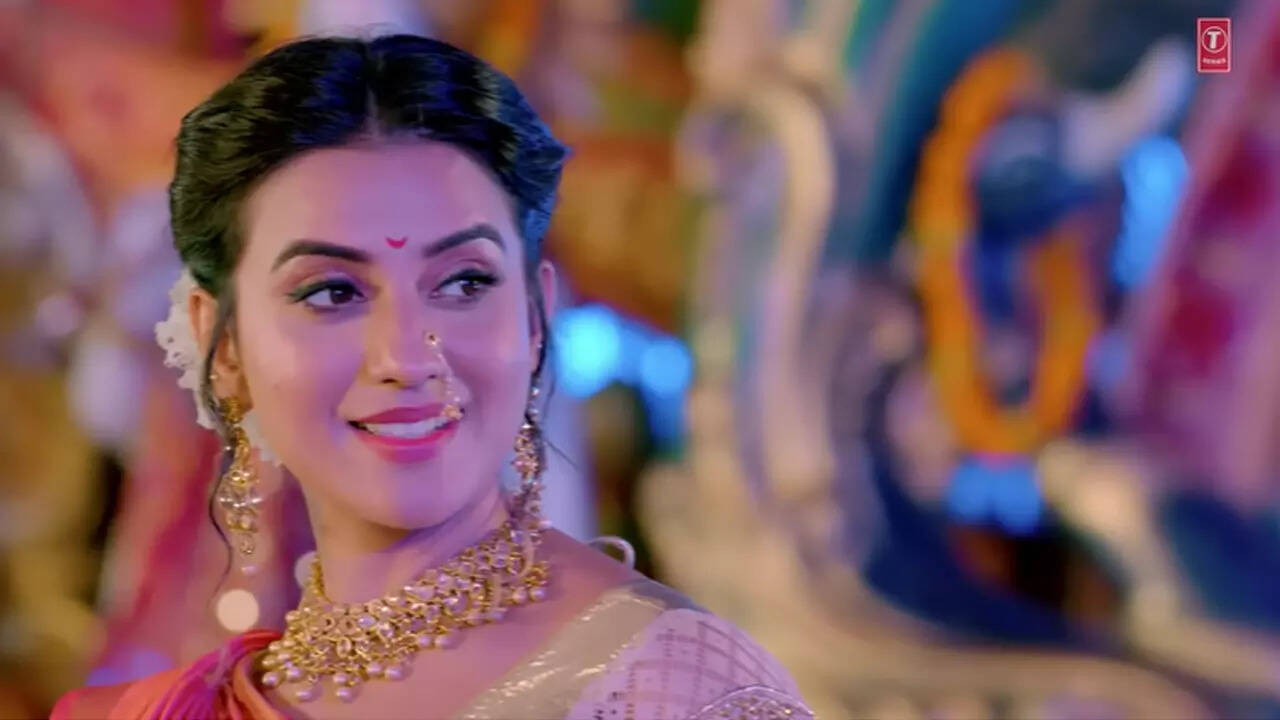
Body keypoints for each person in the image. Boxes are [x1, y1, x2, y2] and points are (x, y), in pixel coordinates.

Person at [51, 34, 811, 719]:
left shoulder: (676, 690)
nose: (407, 356)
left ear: (536, 315)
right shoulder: (163, 709)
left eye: (463, 283)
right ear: (222, 346)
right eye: (332, 292)